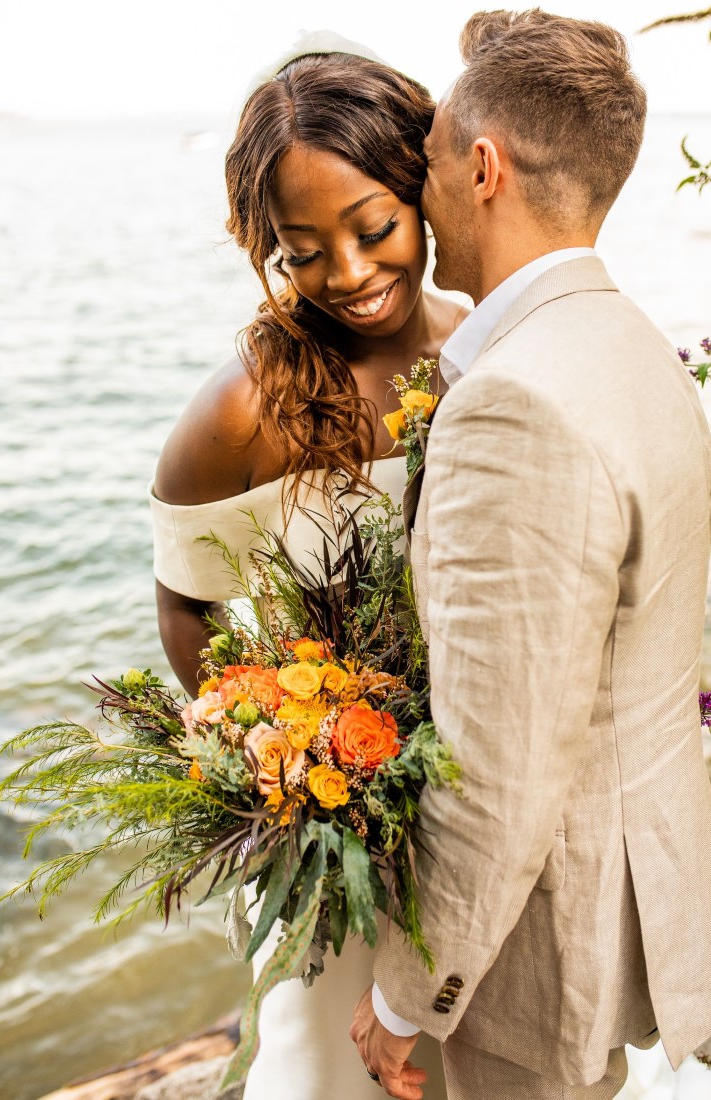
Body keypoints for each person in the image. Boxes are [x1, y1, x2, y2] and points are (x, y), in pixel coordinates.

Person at [351, 10, 711, 1100]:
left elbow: (493, 768)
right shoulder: (635, 343)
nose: (417, 196)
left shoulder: (513, 402)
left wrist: (404, 997)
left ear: (482, 166)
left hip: (544, 945)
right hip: (648, 879)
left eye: (422, 167)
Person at [149, 42, 466, 1100]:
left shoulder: (480, 355)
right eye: (301, 250)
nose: (348, 272)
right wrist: (277, 749)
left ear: (425, 187)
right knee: (324, 1068)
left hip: (477, 800)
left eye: (372, 227)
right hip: (338, 829)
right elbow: (186, 598)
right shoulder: (240, 411)